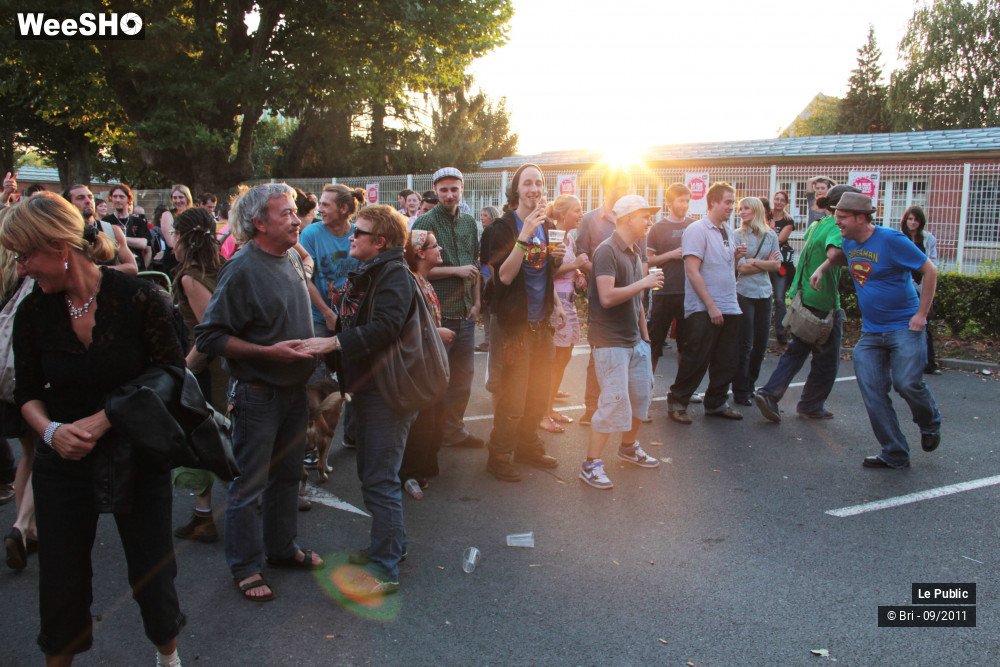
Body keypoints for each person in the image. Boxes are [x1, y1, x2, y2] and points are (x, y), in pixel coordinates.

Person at [2, 193, 185, 664]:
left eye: (26, 256)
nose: (21, 269)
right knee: (60, 581)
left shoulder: (139, 297)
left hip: (137, 452)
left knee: (151, 572)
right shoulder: (33, 312)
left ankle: (168, 655)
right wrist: (49, 432)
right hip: (63, 459)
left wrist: (108, 418)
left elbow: (171, 372)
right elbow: (26, 394)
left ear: (61, 248)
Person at [195, 183, 321, 603]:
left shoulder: (289, 256)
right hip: (258, 394)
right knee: (249, 485)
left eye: (294, 212)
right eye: (284, 213)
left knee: (287, 477)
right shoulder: (241, 268)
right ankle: (245, 566)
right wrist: (269, 353)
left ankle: (282, 550)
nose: (295, 218)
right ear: (258, 223)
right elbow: (211, 336)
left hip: (293, 391)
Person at [296, 205, 420, 596]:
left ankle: (385, 568)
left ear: (379, 242)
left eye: (359, 233)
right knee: (373, 475)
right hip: (370, 389)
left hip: (389, 392)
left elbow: (385, 327)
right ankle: (389, 548)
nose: (351, 237)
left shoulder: (393, 274)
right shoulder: (375, 271)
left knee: (381, 479)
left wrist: (332, 341)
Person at [809, 192, 942, 468]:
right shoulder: (849, 240)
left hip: (904, 326)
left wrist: (921, 315)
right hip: (872, 333)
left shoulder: (892, 240)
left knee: (906, 383)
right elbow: (843, 258)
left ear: (861, 217)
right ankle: (894, 451)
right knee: (872, 390)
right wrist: (822, 267)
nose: (838, 223)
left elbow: (930, 271)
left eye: (842, 218)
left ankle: (929, 422)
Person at [482, 164, 565, 482]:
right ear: (516, 190)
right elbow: (503, 276)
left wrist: (555, 304)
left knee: (538, 394)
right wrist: (524, 235)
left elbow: (544, 272)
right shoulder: (501, 229)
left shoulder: (548, 224)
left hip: (541, 324)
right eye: (527, 183)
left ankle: (528, 446)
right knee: (514, 397)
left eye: (539, 183)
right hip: (514, 327)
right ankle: (499, 455)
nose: (534, 188)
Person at [753, 185, 857, 423]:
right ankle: (800, 402)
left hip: (806, 296)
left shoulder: (816, 224)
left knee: (799, 351)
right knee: (826, 360)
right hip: (823, 300)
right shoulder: (834, 227)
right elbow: (833, 254)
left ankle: (777, 395)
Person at [579, 195, 663, 489]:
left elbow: (637, 301)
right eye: (644, 216)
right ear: (627, 218)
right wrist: (644, 282)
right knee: (613, 403)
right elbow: (608, 296)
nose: (649, 221)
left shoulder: (634, 249)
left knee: (641, 399)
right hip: (609, 342)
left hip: (635, 341)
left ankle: (628, 447)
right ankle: (590, 464)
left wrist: (646, 338)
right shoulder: (606, 251)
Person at [412, 168, 483, 450]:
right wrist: (457, 271)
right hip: (438, 315)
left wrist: (477, 302)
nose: (449, 195)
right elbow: (417, 271)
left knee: (463, 379)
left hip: (466, 313)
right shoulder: (425, 222)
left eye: (454, 189)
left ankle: (454, 431)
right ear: (435, 190)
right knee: (435, 380)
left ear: (462, 189)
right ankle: (429, 437)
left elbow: (474, 266)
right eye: (444, 190)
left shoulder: (469, 223)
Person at [170, 207, 228, 543]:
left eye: (175, 234)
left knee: (209, 441)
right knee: (218, 440)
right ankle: (204, 514)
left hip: (210, 372)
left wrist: (184, 370)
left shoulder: (192, 275)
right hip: (219, 369)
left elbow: (209, 333)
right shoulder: (221, 267)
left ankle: (208, 517)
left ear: (184, 238)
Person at [666, 182, 746, 423]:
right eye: (728, 202)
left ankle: (716, 402)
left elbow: (724, 269)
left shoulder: (728, 231)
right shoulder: (697, 229)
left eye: (733, 202)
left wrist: (736, 258)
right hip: (704, 307)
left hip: (729, 304)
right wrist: (711, 305)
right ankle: (677, 402)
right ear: (713, 203)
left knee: (727, 359)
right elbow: (692, 271)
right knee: (696, 357)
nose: (732, 207)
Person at [397, 229, 456, 490]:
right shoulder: (410, 283)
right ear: (420, 253)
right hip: (419, 362)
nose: (440, 248)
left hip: (431, 359)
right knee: (423, 419)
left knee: (436, 413)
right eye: (434, 245)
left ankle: (425, 466)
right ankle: (410, 473)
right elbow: (404, 326)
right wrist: (436, 332)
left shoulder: (422, 280)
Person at [576, 168, 633, 424]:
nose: (621, 191)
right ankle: (591, 407)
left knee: (629, 350)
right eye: (616, 186)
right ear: (605, 188)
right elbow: (581, 255)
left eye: (625, 186)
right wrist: (604, 276)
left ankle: (628, 404)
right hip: (601, 297)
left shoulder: (632, 218)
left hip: (630, 296)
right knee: (598, 350)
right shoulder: (590, 219)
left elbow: (639, 258)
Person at [1, 247, 37, 571]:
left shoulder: (7, 275)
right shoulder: (34, 277)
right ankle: (23, 526)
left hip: (6, 379)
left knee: (28, 451)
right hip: (31, 377)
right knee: (44, 452)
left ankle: (27, 526)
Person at [540, 195, 587, 433]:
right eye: (577, 210)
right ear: (562, 214)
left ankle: (549, 409)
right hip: (556, 303)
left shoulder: (569, 239)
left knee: (563, 359)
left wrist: (578, 273)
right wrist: (575, 264)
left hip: (570, 302)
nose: (580, 214)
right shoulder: (552, 236)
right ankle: (543, 413)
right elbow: (547, 272)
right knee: (554, 361)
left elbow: (565, 268)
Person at [732, 197, 781, 405]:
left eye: (746, 208)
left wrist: (754, 261)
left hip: (764, 292)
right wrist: (764, 263)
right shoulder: (736, 235)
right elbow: (741, 268)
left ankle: (751, 384)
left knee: (760, 344)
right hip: (743, 292)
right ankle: (740, 390)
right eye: (740, 209)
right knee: (744, 343)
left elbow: (777, 265)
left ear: (757, 211)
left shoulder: (770, 235)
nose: (742, 212)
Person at [646, 183, 696, 374]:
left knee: (686, 344)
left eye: (687, 201)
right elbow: (648, 260)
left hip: (689, 292)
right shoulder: (658, 228)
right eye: (681, 201)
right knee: (655, 343)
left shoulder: (694, 226)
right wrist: (671, 254)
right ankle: (647, 386)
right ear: (669, 203)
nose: (684, 205)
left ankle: (682, 391)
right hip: (663, 291)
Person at [901, 206, 941, 374]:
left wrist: (924, 284)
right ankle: (902, 361)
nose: (913, 222)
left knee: (924, 322)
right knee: (903, 324)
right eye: (910, 219)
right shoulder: (899, 237)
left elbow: (932, 262)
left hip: (922, 285)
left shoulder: (928, 238)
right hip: (903, 285)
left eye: (916, 220)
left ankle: (929, 363)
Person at [63, 185, 138, 275]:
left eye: (90, 197)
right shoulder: (63, 233)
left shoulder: (112, 230)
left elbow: (132, 268)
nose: (88, 201)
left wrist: (96, 270)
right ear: (68, 204)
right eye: (80, 198)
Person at [104, 184, 152, 271]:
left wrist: (118, 238)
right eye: (115, 196)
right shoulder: (105, 222)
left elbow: (143, 244)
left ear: (129, 199)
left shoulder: (138, 221)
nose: (118, 200)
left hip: (138, 268)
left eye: (121, 197)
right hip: (115, 269)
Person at [475, 206, 503, 353]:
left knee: (489, 309)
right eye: (481, 215)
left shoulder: (489, 231)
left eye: (484, 215)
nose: (482, 217)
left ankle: (489, 341)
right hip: (494, 273)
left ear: (492, 216)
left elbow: (487, 258)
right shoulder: (498, 229)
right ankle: (491, 340)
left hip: (488, 274)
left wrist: (493, 278)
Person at [770, 191, 796, 344]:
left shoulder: (788, 220)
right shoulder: (765, 215)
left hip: (780, 264)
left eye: (782, 200)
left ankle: (780, 332)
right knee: (763, 297)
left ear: (786, 202)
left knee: (779, 299)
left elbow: (778, 240)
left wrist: (771, 225)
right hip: (763, 262)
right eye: (776, 199)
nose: (778, 202)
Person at [159, 185, 194, 276]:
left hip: (193, 260)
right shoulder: (167, 215)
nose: (178, 201)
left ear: (187, 198)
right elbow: (171, 243)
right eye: (174, 198)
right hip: (175, 262)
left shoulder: (194, 214)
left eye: (181, 197)